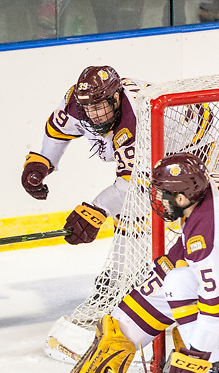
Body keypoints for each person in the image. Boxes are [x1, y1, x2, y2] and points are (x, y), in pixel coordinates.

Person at [65, 152, 219, 373]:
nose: (159, 200)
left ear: (182, 199)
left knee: (197, 296)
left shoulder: (208, 238)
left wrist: (194, 359)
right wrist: (125, 325)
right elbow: (178, 265)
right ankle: (214, 361)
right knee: (177, 280)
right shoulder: (206, 188)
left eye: (163, 194)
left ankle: (217, 366)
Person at [21, 65, 149, 245]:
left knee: (144, 207)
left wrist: (97, 209)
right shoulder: (77, 104)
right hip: (157, 142)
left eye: (98, 108)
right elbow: (58, 131)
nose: (92, 115)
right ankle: (128, 270)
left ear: (116, 98)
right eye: (87, 108)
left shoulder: (136, 118)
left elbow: (135, 184)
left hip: (192, 144)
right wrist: (43, 162)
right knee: (127, 212)